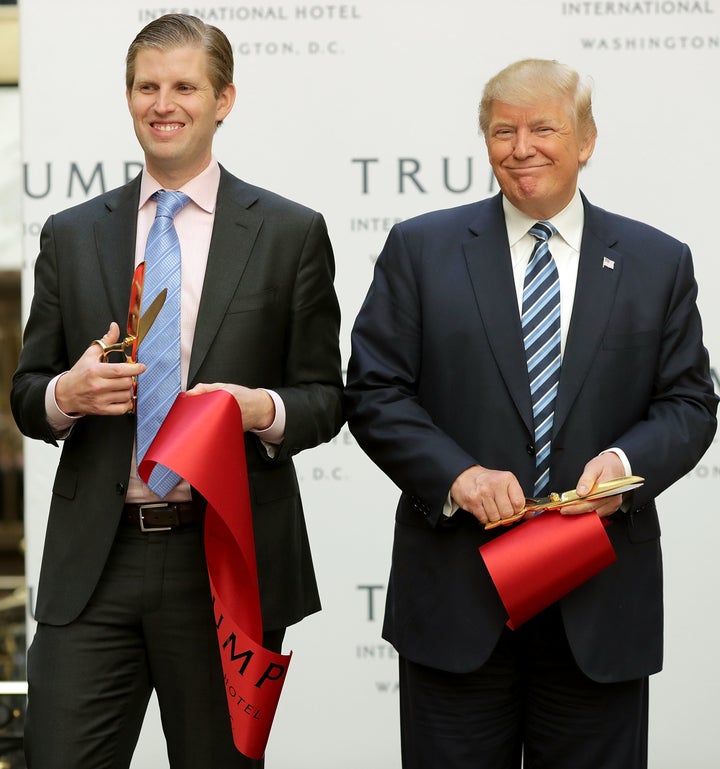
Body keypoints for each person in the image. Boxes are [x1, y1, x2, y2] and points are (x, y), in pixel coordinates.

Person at [344, 58, 717, 769]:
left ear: (586, 140)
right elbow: (374, 390)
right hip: (459, 600)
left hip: (599, 603)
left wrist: (625, 467)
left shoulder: (655, 261)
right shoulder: (421, 250)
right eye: (502, 131)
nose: (522, 147)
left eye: (544, 127)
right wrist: (457, 476)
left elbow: (690, 403)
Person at [12, 13, 343, 769]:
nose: (164, 103)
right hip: (95, 562)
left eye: (184, 86)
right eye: (146, 86)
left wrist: (261, 409)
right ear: (129, 97)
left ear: (223, 99)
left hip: (224, 557)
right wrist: (69, 392)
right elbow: (27, 394)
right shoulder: (71, 234)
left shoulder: (289, 232)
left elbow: (327, 396)